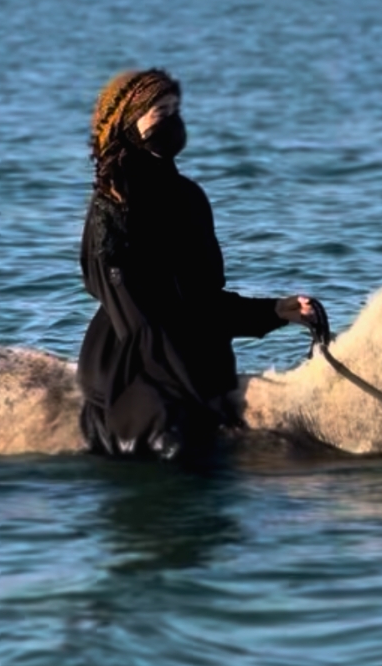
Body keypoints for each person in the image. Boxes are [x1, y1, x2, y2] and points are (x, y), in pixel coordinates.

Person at [77, 68, 328, 461]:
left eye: (176, 109)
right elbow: (133, 314)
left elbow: (203, 302)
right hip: (133, 363)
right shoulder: (111, 206)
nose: (172, 121)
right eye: (160, 111)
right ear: (128, 122)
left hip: (196, 356)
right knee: (178, 443)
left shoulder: (191, 198)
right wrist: (193, 384)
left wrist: (274, 311)